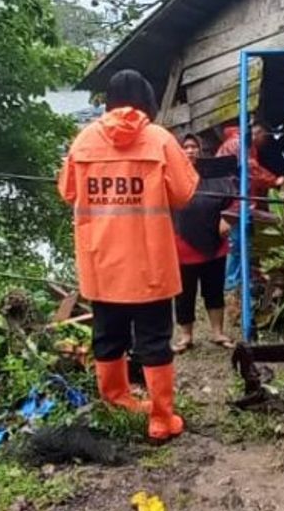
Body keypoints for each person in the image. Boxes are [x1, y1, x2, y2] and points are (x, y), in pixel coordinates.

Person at [58, 70, 199, 441]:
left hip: (101, 262)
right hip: (149, 263)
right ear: (148, 99)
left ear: (108, 100)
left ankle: (115, 403)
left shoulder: (84, 141)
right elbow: (184, 194)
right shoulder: (159, 140)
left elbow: (68, 192)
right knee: (154, 340)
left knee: (107, 337)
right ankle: (161, 419)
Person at [172, 134, 235, 352]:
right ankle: (185, 336)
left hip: (215, 245)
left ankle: (217, 332)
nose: (190, 151)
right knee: (184, 293)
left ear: (200, 150)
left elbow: (234, 198)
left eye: (193, 147)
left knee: (214, 289)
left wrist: (227, 217)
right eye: (185, 147)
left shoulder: (215, 174)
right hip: (183, 244)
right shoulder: (171, 175)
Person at [216, 121, 284, 291]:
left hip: (236, 201)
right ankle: (234, 283)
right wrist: (274, 180)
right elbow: (251, 170)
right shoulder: (239, 144)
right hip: (235, 203)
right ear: (258, 134)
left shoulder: (239, 143)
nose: (266, 143)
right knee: (239, 244)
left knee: (241, 243)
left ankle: (242, 280)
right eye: (265, 138)